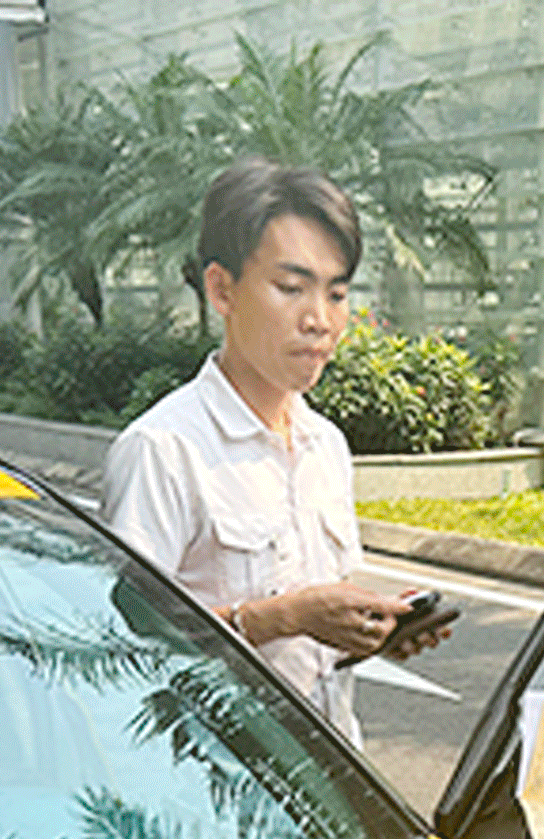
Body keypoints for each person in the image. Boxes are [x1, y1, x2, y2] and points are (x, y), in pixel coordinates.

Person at [100, 157, 443, 744]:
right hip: (214, 789)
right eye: (291, 288)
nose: (320, 321)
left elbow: (311, 655)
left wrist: (369, 634)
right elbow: (119, 646)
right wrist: (281, 618)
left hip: (330, 774)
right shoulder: (162, 450)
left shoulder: (325, 446)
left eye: (336, 295)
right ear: (221, 289)